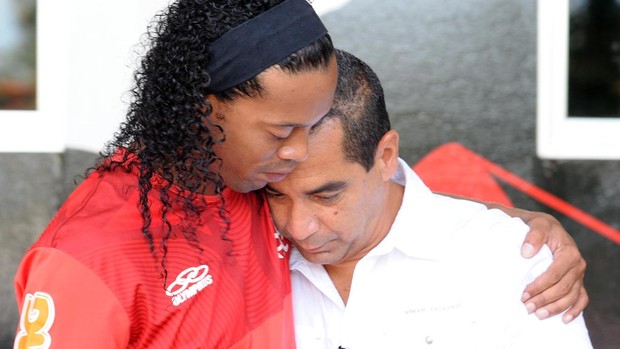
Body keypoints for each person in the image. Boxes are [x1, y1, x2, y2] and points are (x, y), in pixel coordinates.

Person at [13, 1, 584, 348]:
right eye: (283, 130)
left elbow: (372, 202)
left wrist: (523, 229)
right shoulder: (91, 254)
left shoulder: (251, 186)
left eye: (310, 127)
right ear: (202, 110)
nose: (297, 152)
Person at [264, 49, 593, 348]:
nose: (297, 226)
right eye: (275, 194)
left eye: (326, 196)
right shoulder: (242, 241)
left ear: (386, 156)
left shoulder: (505, 256)